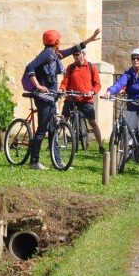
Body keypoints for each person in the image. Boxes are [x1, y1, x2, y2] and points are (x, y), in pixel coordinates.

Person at [24, 27, 101, 170]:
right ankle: (34, 162)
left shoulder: (54, 54)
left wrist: (90, 39)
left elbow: (73, 49)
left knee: (53, 129)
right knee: (42, 129)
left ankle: (57, 162)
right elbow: (30, 67)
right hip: (43, 97)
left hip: (51, 97)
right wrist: (38, 86)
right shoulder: (47, 54)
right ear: (57, 41)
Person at [101, 48, 139, 165]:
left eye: (138, 59)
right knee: (127, 131)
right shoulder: (129, 73)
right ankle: (122, 158)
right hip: (133, 104)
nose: (135, 61)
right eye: (133, 58)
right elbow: (120, 83)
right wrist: (109, 92)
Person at [59, 48, 105, 154]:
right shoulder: (70, 68)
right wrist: (62, 88)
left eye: (77, 54)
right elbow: (65, 81)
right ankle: (54, 142)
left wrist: (92, 92)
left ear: (83, 54)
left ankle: (101, 146)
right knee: (63, 119)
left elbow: (97, 84)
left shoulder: (90, 67)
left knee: (92, 122)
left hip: (86, 99)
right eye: (74, 55)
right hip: (72, 97)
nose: (75, 57)